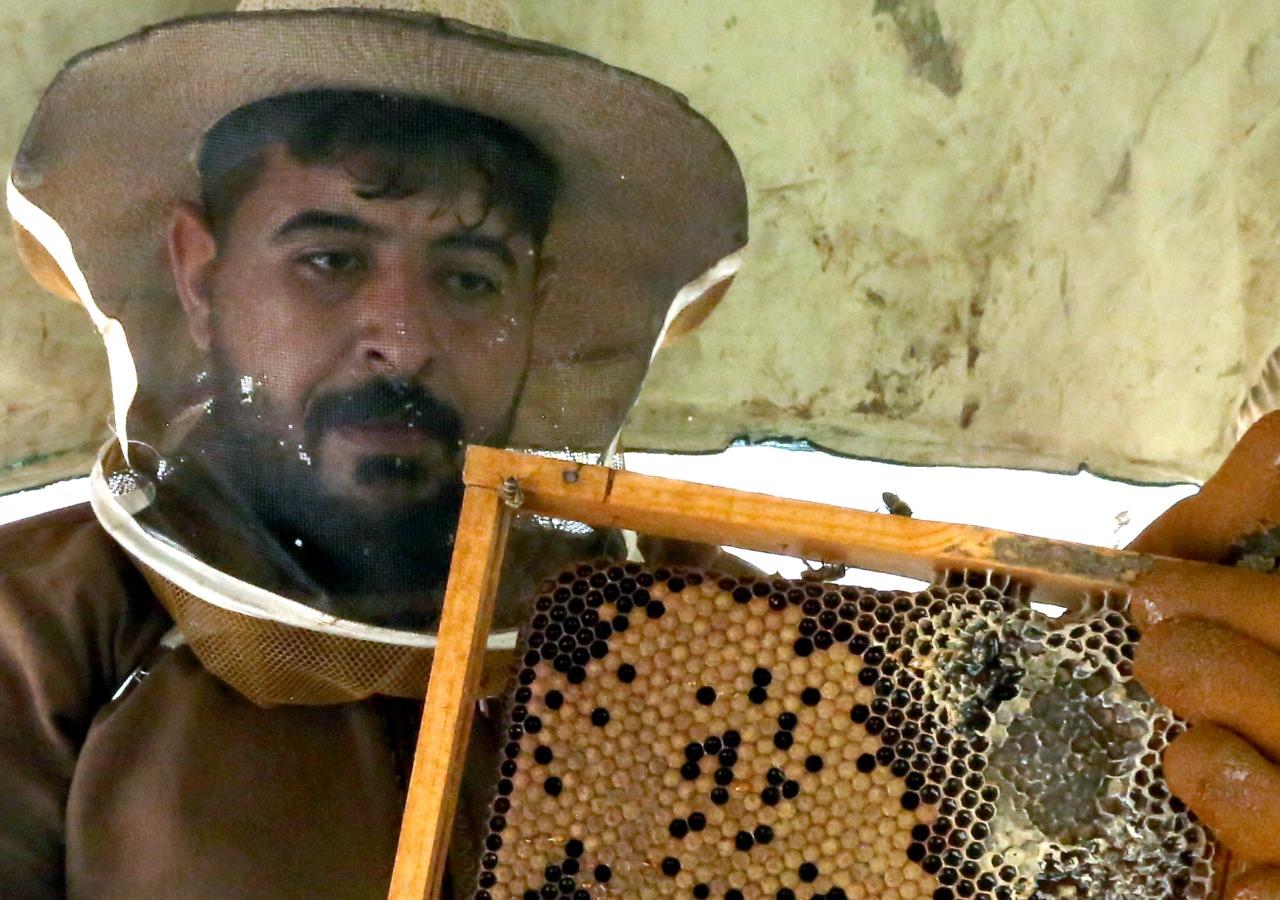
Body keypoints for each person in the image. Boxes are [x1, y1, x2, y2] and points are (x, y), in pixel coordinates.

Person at [1, 3, 746, 897]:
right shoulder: (39, 622)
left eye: (469, 278)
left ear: (535, 306)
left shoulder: (716, 635)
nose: (403, 340)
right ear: (201, 276)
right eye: (330, 260)